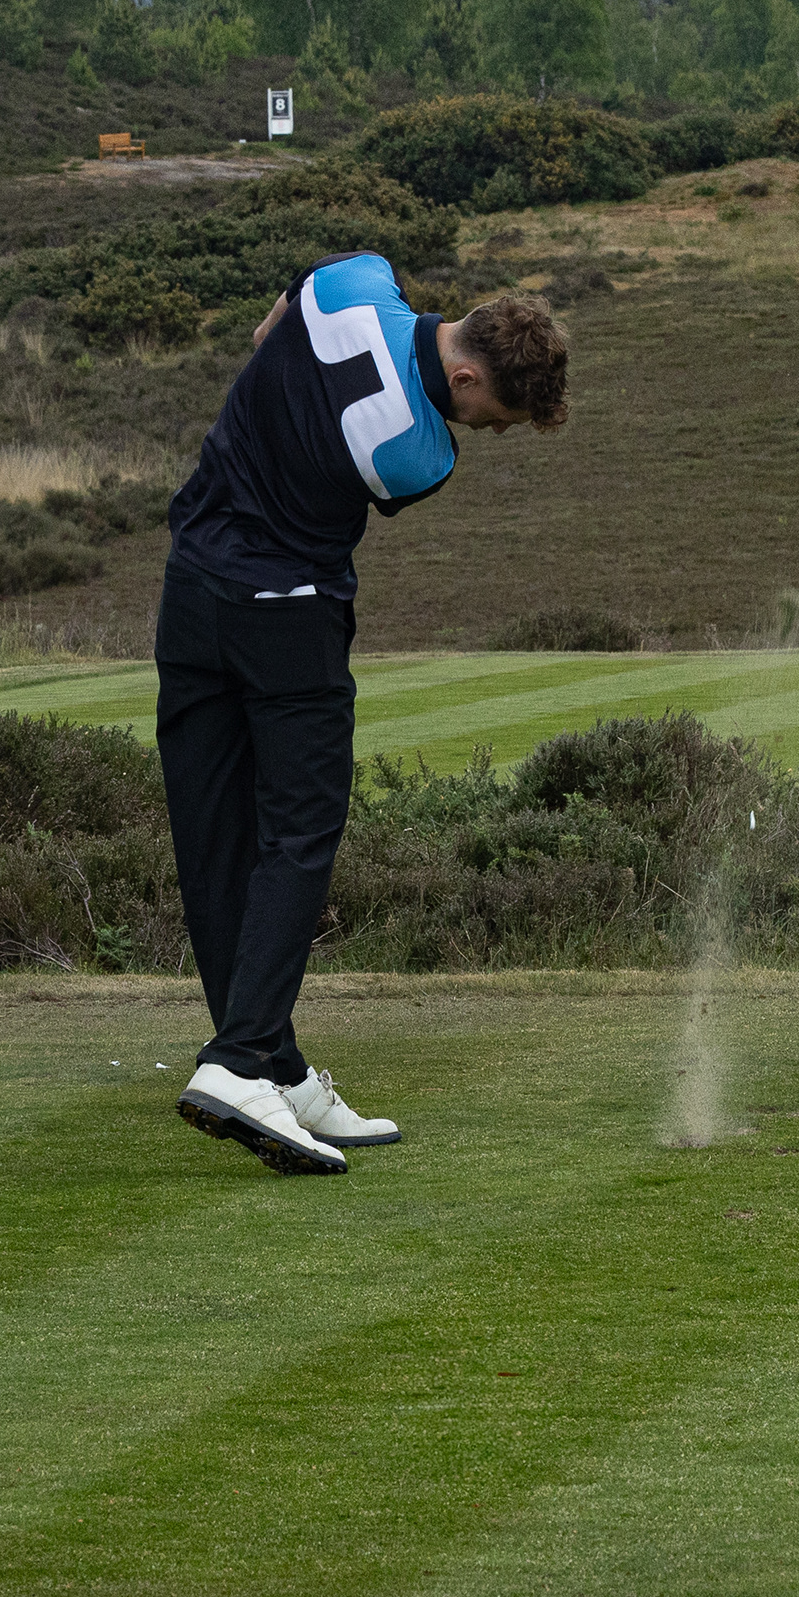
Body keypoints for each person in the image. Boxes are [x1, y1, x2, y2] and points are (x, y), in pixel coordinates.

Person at [158, 252, 570, 1176]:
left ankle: (275, 1065)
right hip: (288, 624)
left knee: (213, 837)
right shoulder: (420, 454)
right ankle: (237, 1061)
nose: (485, 433)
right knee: (299, 833)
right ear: (466, 378)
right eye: (494, 418)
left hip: (190, 592)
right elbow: (387, 455)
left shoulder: (354, 279)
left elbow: (274, 323)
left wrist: (277, 373)